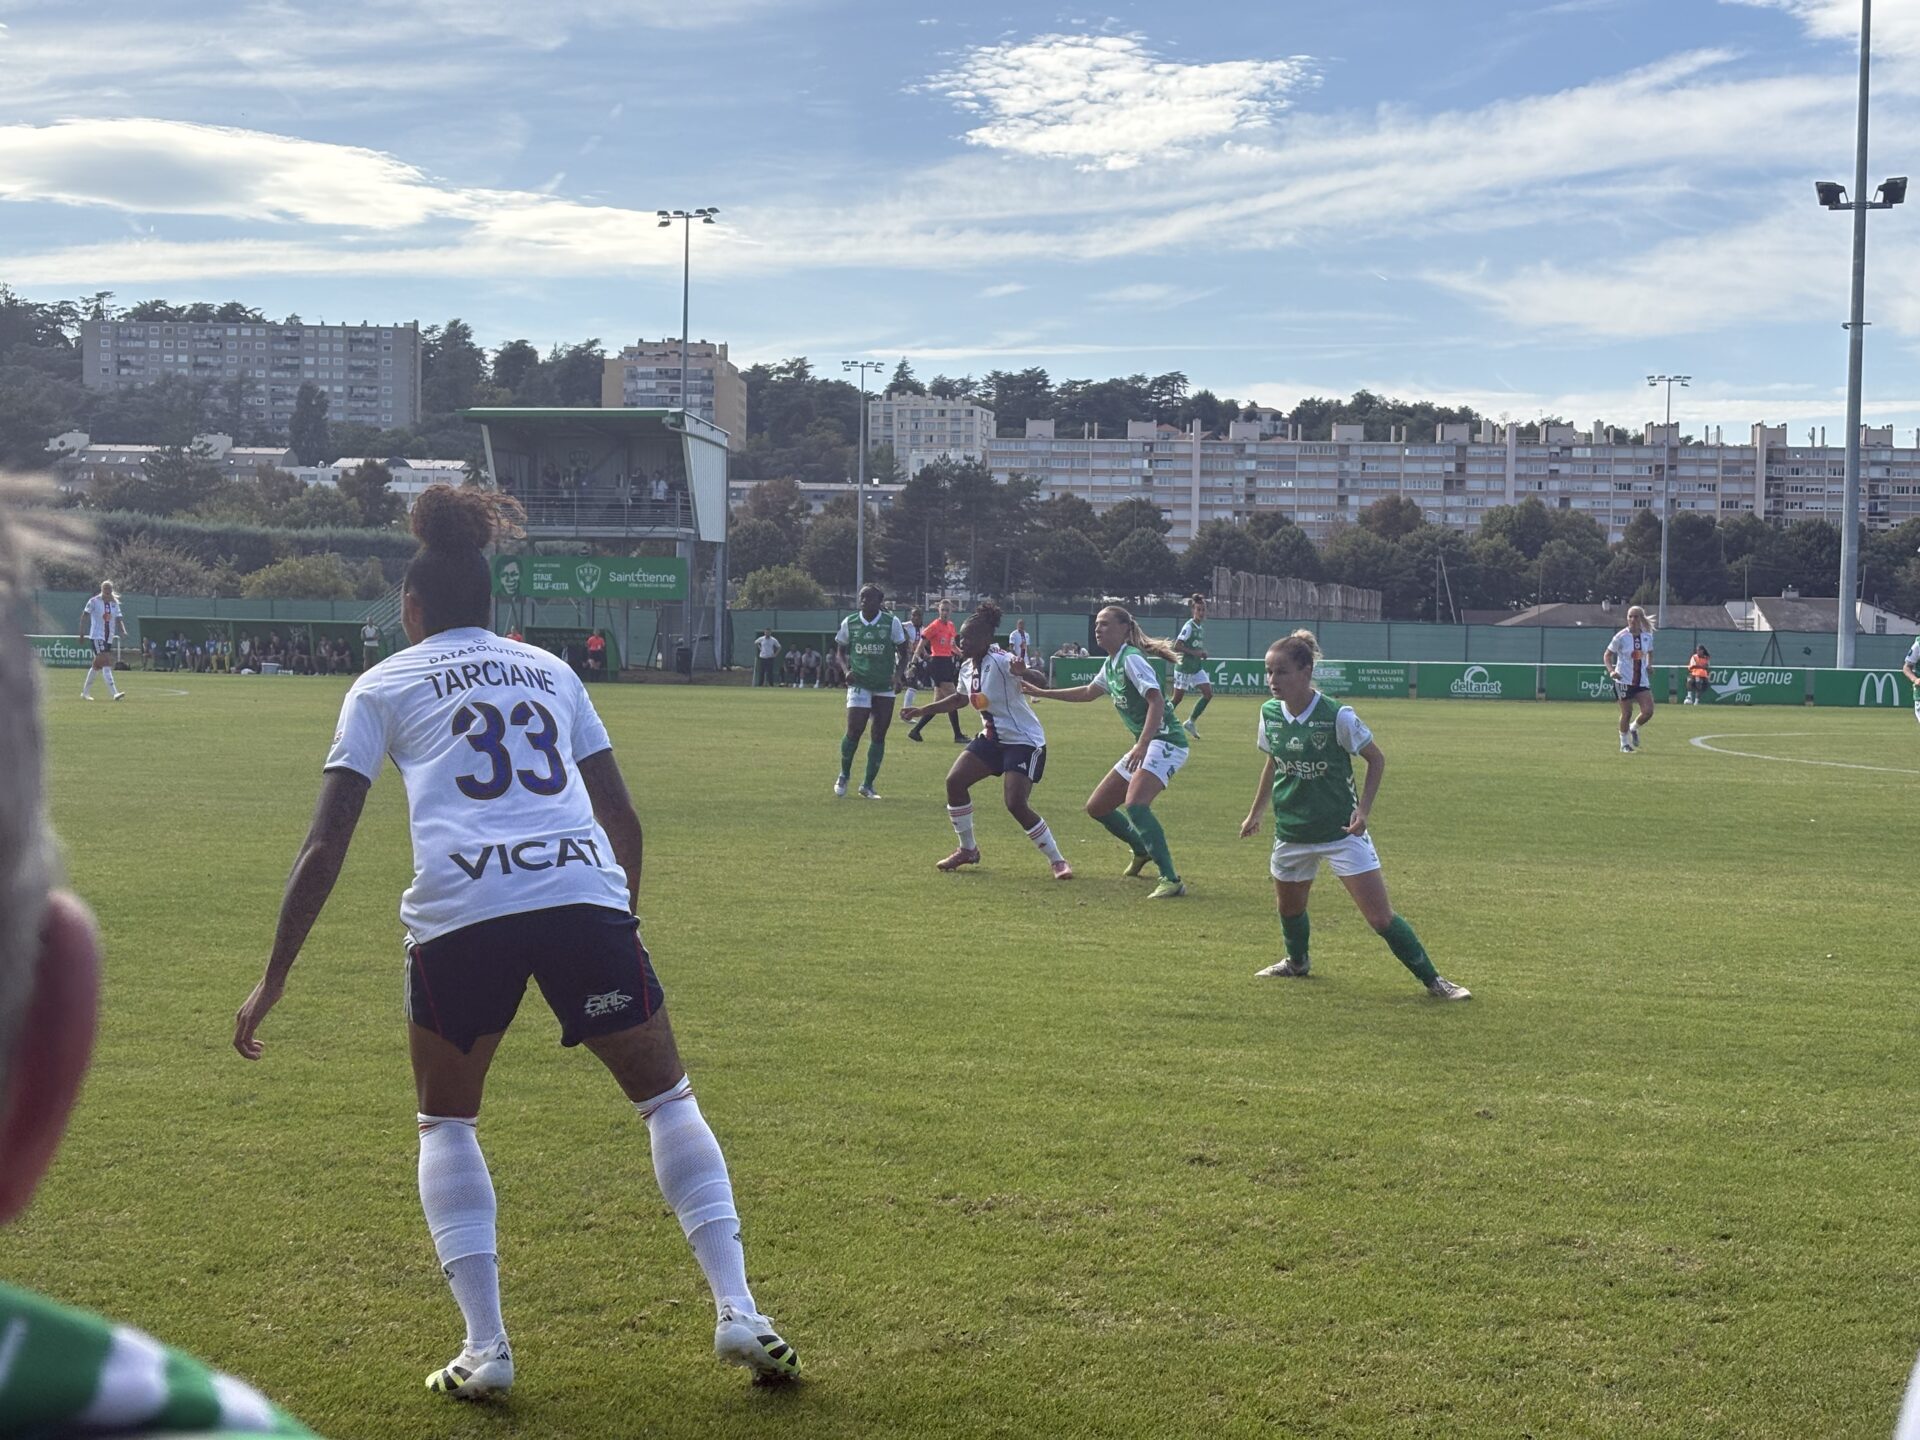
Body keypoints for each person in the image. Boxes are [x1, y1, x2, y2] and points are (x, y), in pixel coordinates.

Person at [230, 485, 799, 1401]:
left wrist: (274, 977)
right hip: (582, 894)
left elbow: (324, 844)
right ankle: (740, 1309)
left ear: (412, 608)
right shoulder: (550, 672)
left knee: (447, 1120)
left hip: (461, 912)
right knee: (666, 1098)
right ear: (494, 607)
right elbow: (622, 816)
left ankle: (487, 1346)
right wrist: (621, 921)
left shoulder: (383, 683)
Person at [0, 486, 318, 1435]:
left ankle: (105, 685)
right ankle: (104, 686)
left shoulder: (107, 601)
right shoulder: (195, 1420)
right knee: (103, 660)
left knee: (106, 659)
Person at [1238, 631, 1470, 1000]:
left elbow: (1375, 759)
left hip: (1341, 831)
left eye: (1280, 672)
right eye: (1268, 672)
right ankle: (1296, 963)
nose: (1272, 681)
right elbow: (1273, 762)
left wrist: (1363, 809)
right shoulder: (1269, 714)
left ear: (1306, 670)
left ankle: (1435, 981)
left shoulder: (1336, 715)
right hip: (1292, 831)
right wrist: (1256, 812)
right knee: (1290, 908)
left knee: (1380, 917)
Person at [1022, 605, 1189, 899]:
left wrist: (1142, 744)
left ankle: (1171, 878)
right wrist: (1043, 693)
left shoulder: (1131, 660)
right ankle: (1141, 849)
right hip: (1148, 742)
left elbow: (1156, 701)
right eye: (1097, 624)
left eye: (1105, 624)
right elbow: (1089, 692)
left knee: (1136, 805)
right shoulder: (1112, 662)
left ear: (1125, 628)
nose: (1098, 629)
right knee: (1098, 806)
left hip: (1166, 742)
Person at [901, 602, 1072, 880]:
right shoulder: (967, 667)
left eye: (967, 638)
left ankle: (1057, 860)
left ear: (986, 640)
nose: (961, 642)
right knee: (954, 782)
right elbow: (958, 699)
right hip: (992, 740)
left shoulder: (1002, 660)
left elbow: (1041, 679)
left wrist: (1024, 672)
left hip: (1023, 741)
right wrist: (922, 710)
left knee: (1015, 803)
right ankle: (968, 849)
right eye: (961, 637)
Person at [832, 583, 908, 799]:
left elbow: (903, 652)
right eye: (861, 597)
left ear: (879, 601)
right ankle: (844, 774)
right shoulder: (851, 622)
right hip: (860, 683)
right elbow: (840, 651)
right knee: (855, 729)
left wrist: (898, 676)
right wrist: (846, 670)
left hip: (884, 685)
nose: (863, 601)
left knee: (879, 733)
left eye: (868, 598)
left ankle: (867, 784)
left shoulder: (891, 623)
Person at [906, 598, 965, 743]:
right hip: (937, 663)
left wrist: (962, 653)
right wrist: (913, 662)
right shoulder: (934, 626)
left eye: (947, 610)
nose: (945, 612)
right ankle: (958, 735)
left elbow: (952, 646)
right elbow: (920, 645)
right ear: (938, 611)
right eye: (942, 610)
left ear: (951, 611)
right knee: (953, 698)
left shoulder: (951, 626)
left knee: (938, 703)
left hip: (947, 663)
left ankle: (915, 731)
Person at [1604, 605, 1656, 753]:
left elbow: (1650, 652)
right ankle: (1624, 744)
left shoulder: (1647, 636)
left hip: (1642, 681)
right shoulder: (1620, 637)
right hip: (1623, 680)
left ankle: (1633, 728)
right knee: (1627, 713)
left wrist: (1650, 665)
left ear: (1641, 618)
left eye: (1636, 616)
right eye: (1630, 616)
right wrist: (1612, 671)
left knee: (1648, 711)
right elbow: (1607, 655)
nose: (1632, 619)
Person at [1169, 594, 1213, 737]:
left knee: (1208, 694)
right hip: (1184, 668)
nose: (1201, 613)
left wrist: (1202, 654)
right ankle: (1158, 720)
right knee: (1177, 699)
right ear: (1193, 610)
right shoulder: (1189, 626)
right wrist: (1195, 653)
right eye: (1198, 610)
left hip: (1196, 667)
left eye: (1203, 610)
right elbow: (1177, 646)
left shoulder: (1199, 628)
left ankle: (1191, 722)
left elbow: (1196, 648)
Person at [79, 579, 127, 700]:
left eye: (109, 589)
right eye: (105, 589)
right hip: (97, 636)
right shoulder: (94, 601)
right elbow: (84, 616)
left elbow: (119, 619)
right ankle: (114, 693)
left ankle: (85, 693)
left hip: (108, 637)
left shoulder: (114, 604)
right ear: (102, 589)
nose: (107, 591)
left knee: (96, 665)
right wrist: (81, 633)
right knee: (106, 661)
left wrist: (123, 630)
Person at [899, 607, 924, 708]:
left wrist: (926, 655)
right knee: (912, 683)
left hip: (916, 659)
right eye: (913, 615)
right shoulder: (904, 626)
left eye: (918, 615)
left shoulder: (923, 629)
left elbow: (921, 645)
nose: (916, 617)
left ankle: (906, 709)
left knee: (914, 684)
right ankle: (906, 710)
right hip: (904, 659)